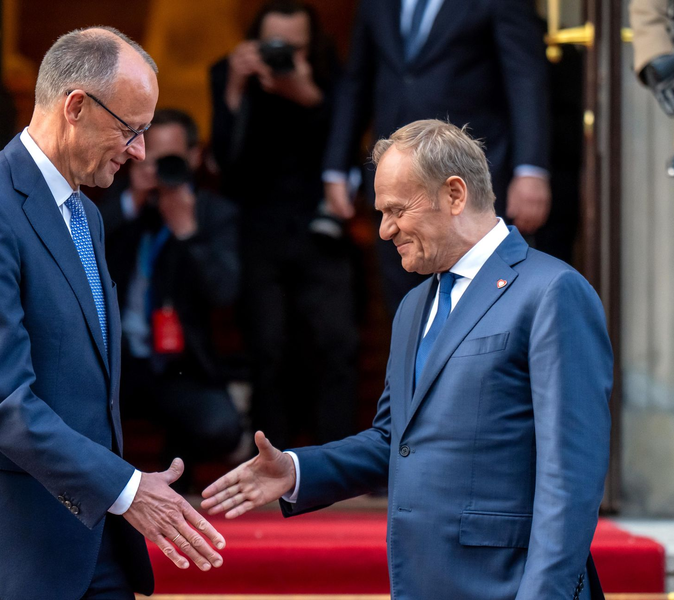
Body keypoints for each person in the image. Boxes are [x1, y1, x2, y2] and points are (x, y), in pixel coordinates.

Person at [203, 120, 612, 600]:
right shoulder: (414, 306)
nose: (384, 229)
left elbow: (571, 478)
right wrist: (297, 471)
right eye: (381, 212)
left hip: (508, 585)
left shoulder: (551, 292)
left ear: (455, 195)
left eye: (397, 210)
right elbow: (395, 440)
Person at [0, 27, 225, 600]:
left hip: (88, 535)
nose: (140, 152)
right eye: (131, 130)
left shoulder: (85, 215)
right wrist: (127, 489)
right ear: (76, 106)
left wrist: (115, 492)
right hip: (8, 547)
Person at [322, 0, 552, 314]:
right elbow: (357, 80)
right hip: (395, 179)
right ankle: (416, 364)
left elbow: (524, 77)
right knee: (406, 297)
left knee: (481, 300)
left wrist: (531, 170)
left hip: (468, 176)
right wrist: (336, 167)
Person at [210, 0, 358, 449]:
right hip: (258, 228)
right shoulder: (231, 73)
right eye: (275, 45)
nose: (285, 56)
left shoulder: (333, 76)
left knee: (337, 344)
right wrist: (235, 93)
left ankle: (338, 460)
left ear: (312, 45)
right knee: (267, 349)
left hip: (320, 226)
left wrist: (310, 97)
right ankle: (270, 463)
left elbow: (350, 145)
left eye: (296, 46)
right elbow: (224, 165)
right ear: (254, 43)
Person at [103, 108, 243, 483]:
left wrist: (187, 232)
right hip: (117, 362)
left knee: (220, 426)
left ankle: (179, 470)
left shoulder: (214, 214)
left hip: (181, 364)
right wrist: (132, 200)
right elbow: (81, 246)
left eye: (170, 161)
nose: (157, 169)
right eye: (147, 156)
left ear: (195, 158)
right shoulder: (115, 206)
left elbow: (223, 292)